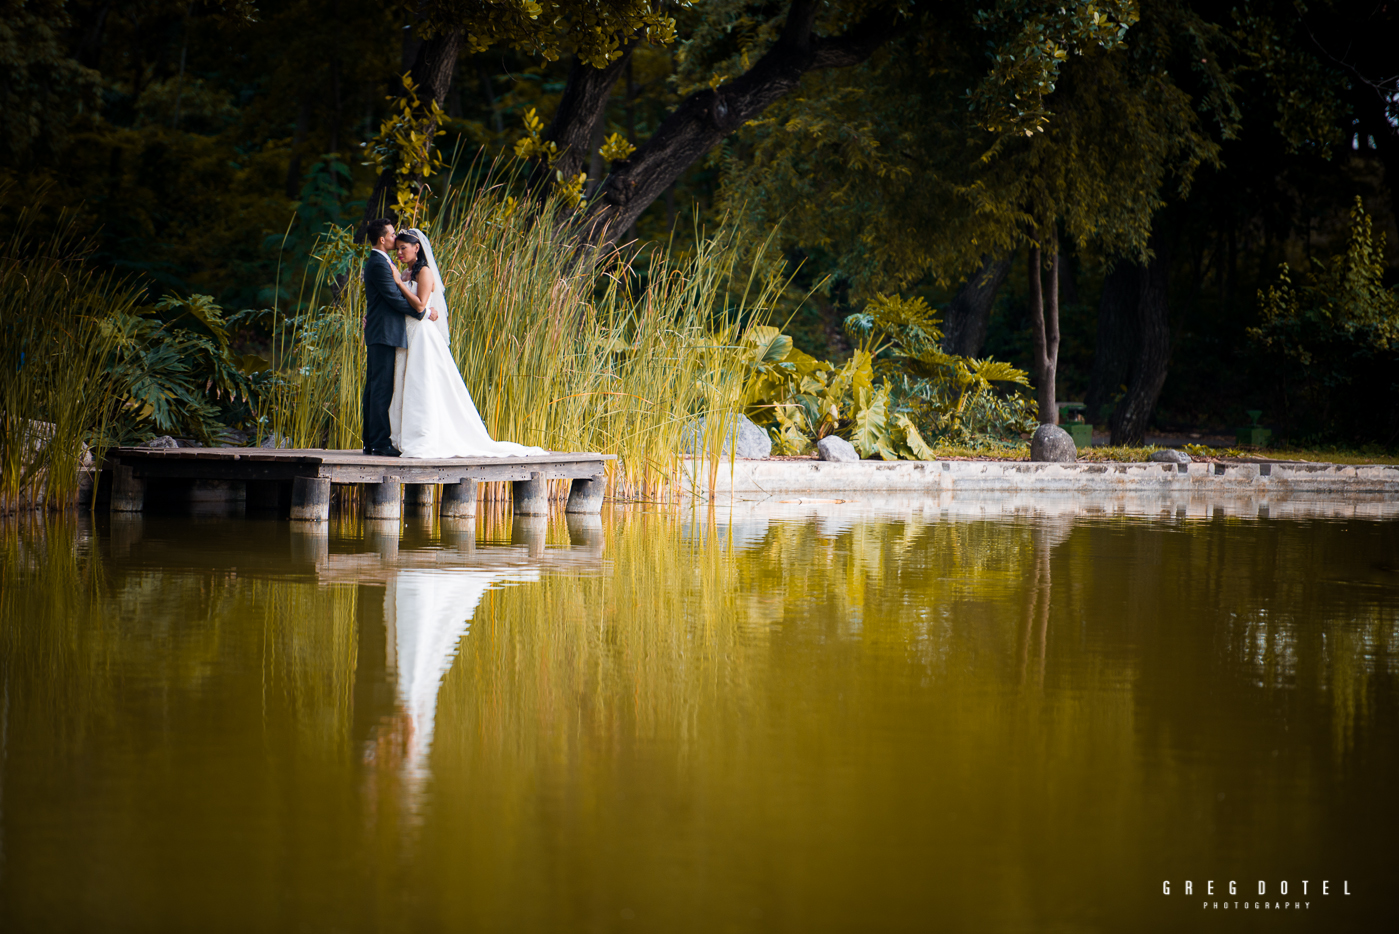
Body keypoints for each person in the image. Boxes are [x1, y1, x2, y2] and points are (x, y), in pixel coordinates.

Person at [386, 228, 547, 459]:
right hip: (407, 333)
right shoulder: (405, 273)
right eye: (398, 248)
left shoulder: (424, 272)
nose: (400, 252)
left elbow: (420, 305)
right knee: (404, 381)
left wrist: (399, 284)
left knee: (421, 382)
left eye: (404, 248)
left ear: (417, 248)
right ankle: (401, 437)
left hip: (422, 334)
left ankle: (425, 435)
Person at [360, 218, 432, 457]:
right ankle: (379, 443)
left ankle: (371, 441)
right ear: (382, 239)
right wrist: (423, 312)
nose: (395, 239)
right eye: (392, 235)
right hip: (384, 332)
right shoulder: (380, 264)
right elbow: (393, 297)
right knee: (380, 388)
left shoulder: (382, 262)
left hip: (382, 331)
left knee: (375, 387)